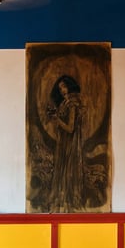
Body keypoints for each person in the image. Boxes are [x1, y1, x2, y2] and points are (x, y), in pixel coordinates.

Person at [47, 74, 85, 212]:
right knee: (61, 169)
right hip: (63, 143)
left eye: (64, 86)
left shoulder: (72, 104)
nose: (62, 90)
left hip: (70, 144)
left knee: (67, 170)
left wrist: (57, 120)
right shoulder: (64, 103)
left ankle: (68, 202)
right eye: (60, 88)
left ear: (69, 86)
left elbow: (70, 128)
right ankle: (60, 201)